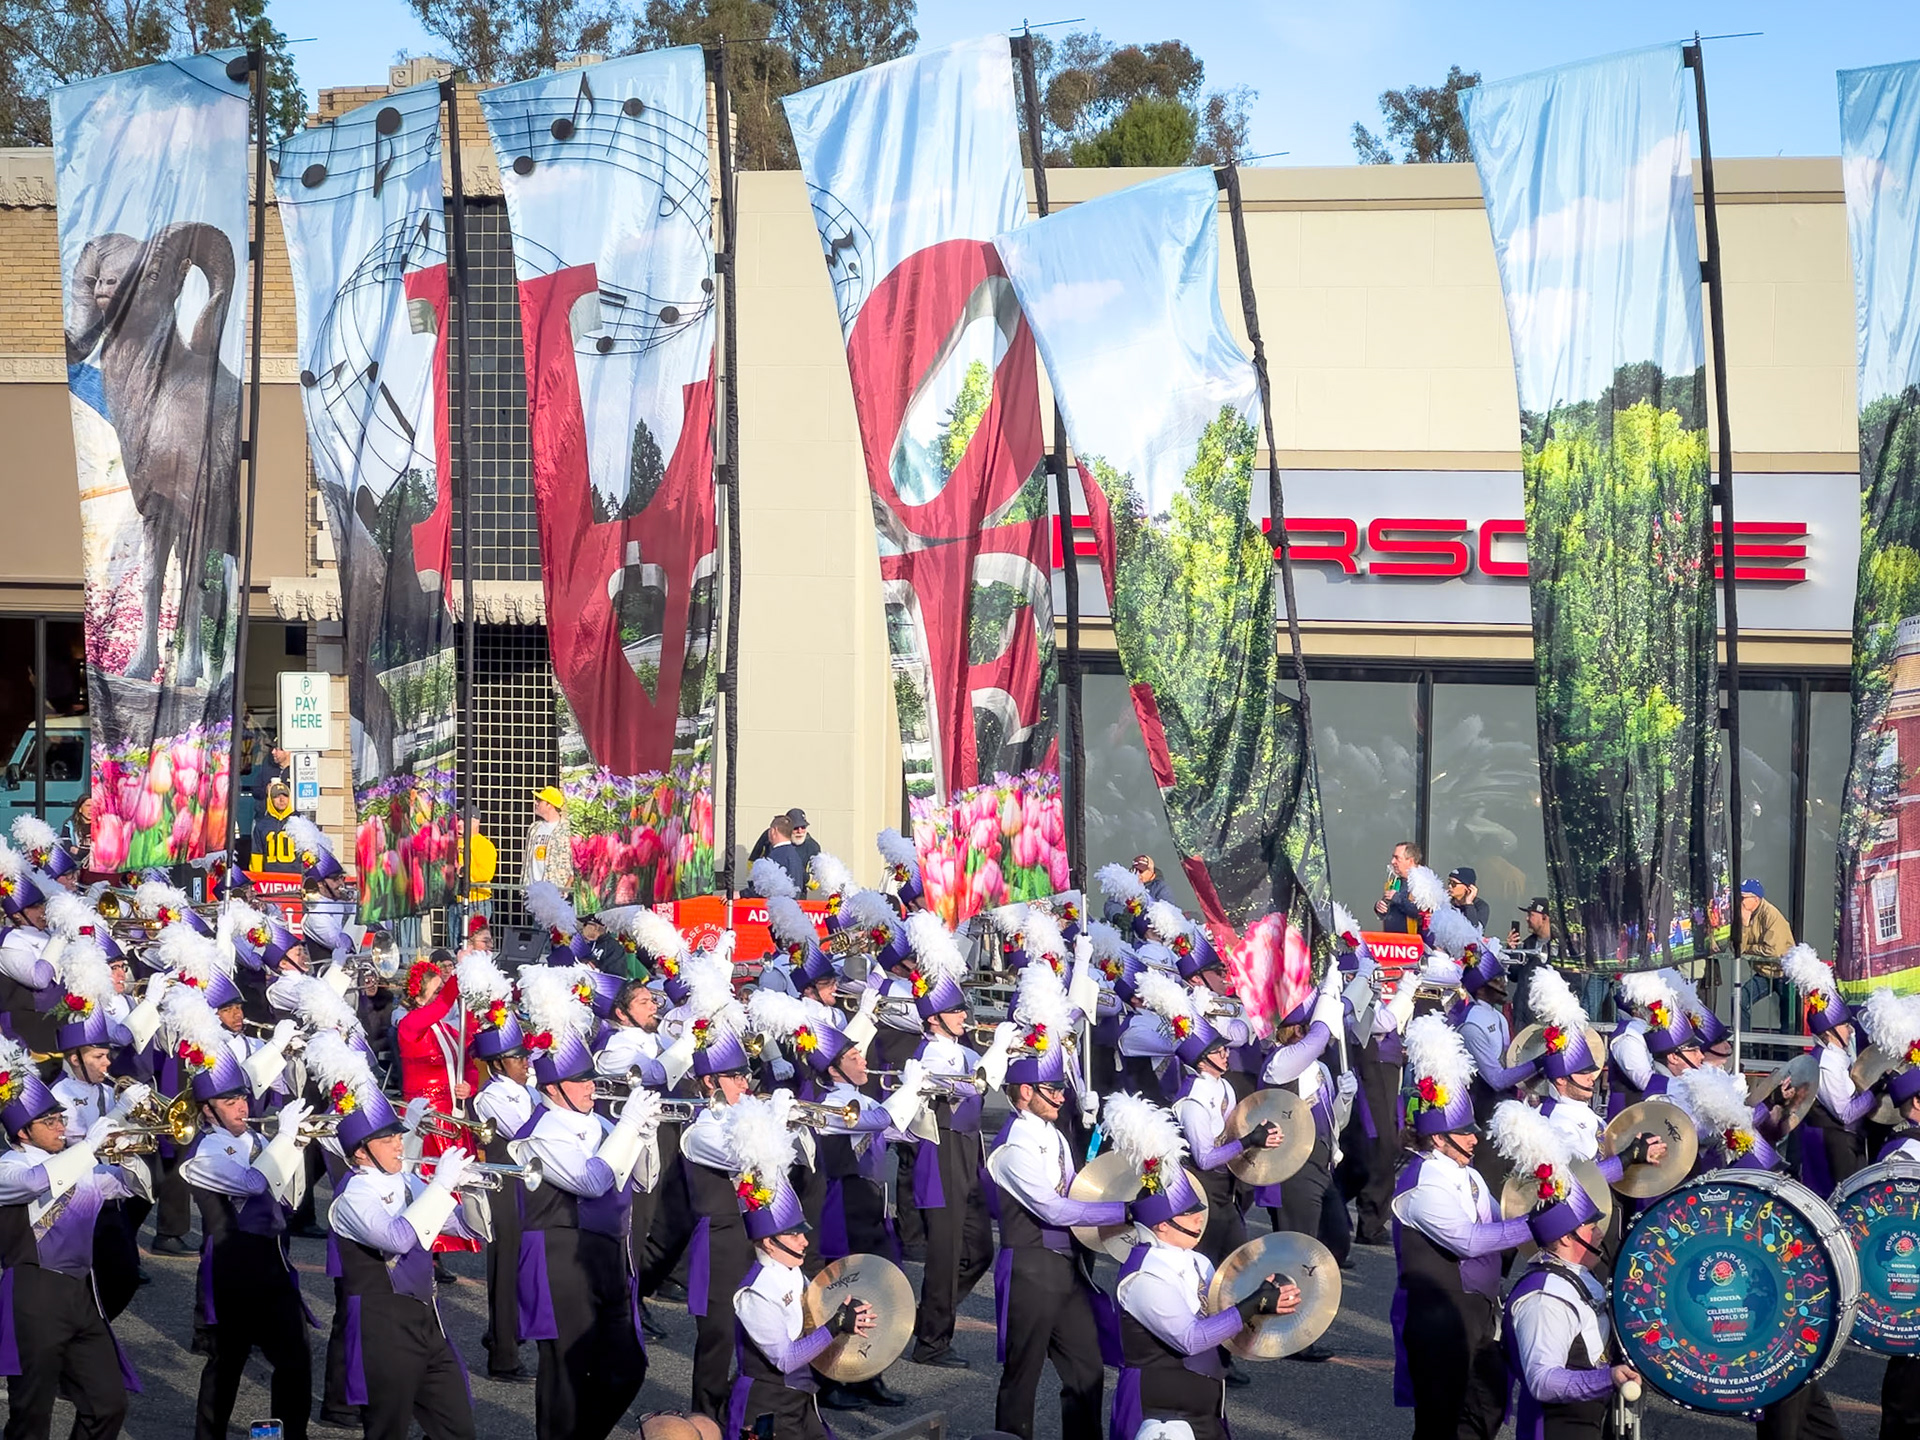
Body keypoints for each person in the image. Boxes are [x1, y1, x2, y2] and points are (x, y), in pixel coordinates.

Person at [308, 1030, 486, 1440]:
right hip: (380, 1327)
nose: (397, 1144)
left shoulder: (406, 1182)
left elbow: (465, 1226)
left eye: (395, 1135)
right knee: (387, 1432)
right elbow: (399, 1238)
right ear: (360, 1151)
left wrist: (472, 1188)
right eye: (386, 1139)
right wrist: (440, 1186)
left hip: (427, 1320)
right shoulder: (352, 1197)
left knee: (457, 1429)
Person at [1103, 1091, 1298, 1440]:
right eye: (1187, 1214)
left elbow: (1224, 1316)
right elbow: (1191, 1339)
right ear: (1162, 1225)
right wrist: (1252, 1303)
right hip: (1161, 1415)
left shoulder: (1196, 1260)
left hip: (1203, 1406)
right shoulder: (1143, 1278)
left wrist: (1267, 1302)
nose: (1198, 1219)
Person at [983, 964, 1124, 1440]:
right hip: (1030, 1268)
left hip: (1067, 1269)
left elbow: (1077, 1188)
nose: (1061, 1096)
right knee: (1022, 1377)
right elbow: (1052, 1209)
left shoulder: (1053, 1135)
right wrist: (1120, 1212)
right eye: (1053, 1089)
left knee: (1086, 1368)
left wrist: (1091, 1134)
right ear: (1025, 1092)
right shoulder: (1012, 1146)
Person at [511, 967, 651, 1440]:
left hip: (607, 1255)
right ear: (552, 1088)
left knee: (627, 1365)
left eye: (590, 1077)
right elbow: (592, 1182)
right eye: (579, 1080)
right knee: (566, 1375)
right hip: (558, 1258)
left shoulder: (598, 1123)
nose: (592, 1086)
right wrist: (629, 1128)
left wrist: (642, 1137)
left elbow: (641, 1179)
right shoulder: (542, 1133)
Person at [173, 989, 314, 1440]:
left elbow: (286, 1195)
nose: (243, 1107)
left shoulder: (253, 1139)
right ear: (208, 1109)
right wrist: (288, 1141)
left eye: (243, 1099)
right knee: (227, 1364)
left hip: (273, 1262)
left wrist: (302, 1141)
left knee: (295, 1359)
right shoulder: (203, 1154)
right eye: (231, 1102)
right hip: (232, 1266)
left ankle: (286, 1435)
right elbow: (254, 1184)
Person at [0, 1031, 148, 1440]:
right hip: (34, 1294)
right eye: (50, 1121)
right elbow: (37, 1182)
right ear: (24, 1133)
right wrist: (90, 1147)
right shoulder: (9, 1167)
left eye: (61, 1118)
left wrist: (131, 1143)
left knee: (108, 1404)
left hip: (82, 1295)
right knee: (31, 1414)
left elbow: (130, 1186)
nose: (61, 1126)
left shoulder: (74, 1160)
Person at [1391, 1015, 1532, 1440]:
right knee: (1439, 1424)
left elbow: (1498, 1219)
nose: (1475, 1140)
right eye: (1465, 1133)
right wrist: (1536, 1227)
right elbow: (1470, 1242)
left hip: (1477, 1313)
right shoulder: (1422, 1183)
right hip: (1438, 1318)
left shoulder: (1466, 1173)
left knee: (1485, 1408)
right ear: (1438, 1138)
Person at [722, 1097, 873, 1440]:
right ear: (767, 1241)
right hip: (766, 1407)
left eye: (802, 1233)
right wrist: (836, 1325)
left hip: (801, 1398)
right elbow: (786, 1360)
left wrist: (849, 1315)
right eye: (793, 1235)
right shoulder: (755, 1294)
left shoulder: (792, 1272)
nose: (805, 1242)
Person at [1493, 1102, 1641, 1440]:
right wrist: (1608, 1378)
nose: (1601, 1232)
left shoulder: (1576, 1276)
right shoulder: (1546, 1297)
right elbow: (1544, 1380)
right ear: (1564, 1237)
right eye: (1592, 1226)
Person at [901, 912, 993, 1370]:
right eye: (957, 1011)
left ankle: (927, 1320)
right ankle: (932, 1341)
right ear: (935, 1018)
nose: (965, 1016)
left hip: (968, 1152)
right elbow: (968, 1085)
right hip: (940, 1156)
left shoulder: (959, 1046)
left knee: (979, 1250)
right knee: (945, 1253)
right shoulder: (931, 1053)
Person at [463, 949, 535, 1383]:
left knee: (526, 1266)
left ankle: (504, 1334)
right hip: (504, 1188)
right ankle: (503, 1354)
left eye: (525, 1055)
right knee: (506, 1269)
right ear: (495, 1063)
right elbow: (528, 1131)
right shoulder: (492, 1095)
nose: (526, 1062)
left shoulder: (522, 1085)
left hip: (527, 1187)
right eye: (517, 1057)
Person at [1783, 945, 1872, 1196]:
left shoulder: (1836, 1056)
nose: (1851, 1030)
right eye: (1845, 1026)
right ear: (1829, 1031)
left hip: (1840, 1143)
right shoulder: (1827, 1064)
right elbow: (1846, 1112)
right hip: (1833, 1146)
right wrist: (1874, 1092)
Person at [1738, 880, 1796, 1029]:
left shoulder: (1771, 914)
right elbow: (1737, 948)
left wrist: (1749, 948)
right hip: (1764, 972)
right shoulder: (1743, 914)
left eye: (1743, 897)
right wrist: (1744, 925)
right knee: (1740, 1000)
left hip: (1784, 973)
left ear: (1756, 899)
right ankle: (1744, 1047)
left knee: (1788, 1018)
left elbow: (1773, 951)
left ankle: (1786, 1051)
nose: (1740, 901)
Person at [524, 786, 573, 894]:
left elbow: (576, 864)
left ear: (549, 805)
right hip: (533, 892)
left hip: (556, 894)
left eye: (540, 800)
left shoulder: (567, 830)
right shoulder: (534, 828)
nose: (535, 803)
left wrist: (566, 889)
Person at [250, 743, 292, 863]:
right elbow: (255, 790)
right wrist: (266, 790)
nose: (273, 752)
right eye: (272, 749)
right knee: (258, 855)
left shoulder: (297, 771)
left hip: (287, 823)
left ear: (288, 751)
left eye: (277, 749)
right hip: (263, 820)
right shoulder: (268, 768)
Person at [1374, 840, 1425, 934]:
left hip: (1412, 943)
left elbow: (1419, 912)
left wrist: (1397, 898)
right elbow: (1389, 911)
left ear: (1410, 861)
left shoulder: (1423, 883)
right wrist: (1380, 908)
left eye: (1397, 858)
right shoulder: (1394, 882)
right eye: (1393, 857)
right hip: (1391, 942)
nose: (1392, 862)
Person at [459, 817, 496, 923]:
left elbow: (486, 873)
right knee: (455, 938)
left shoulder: (484, 844)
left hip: (477, 902)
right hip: (456, 901)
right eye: (459, 819)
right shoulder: (456, 843)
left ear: (475, 822)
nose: (459, 823)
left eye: (463, 819)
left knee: (475, 938)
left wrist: (463, 872)